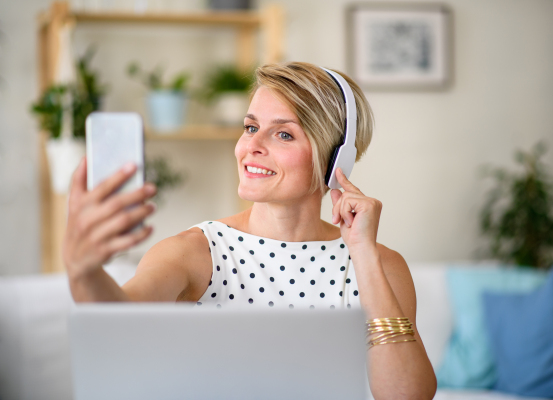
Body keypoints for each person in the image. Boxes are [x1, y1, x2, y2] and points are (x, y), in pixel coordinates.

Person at [63, 61, 437, 400]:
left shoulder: (380, 265)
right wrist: (84, 270)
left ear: (335, 158)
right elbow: (117, 321)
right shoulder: (195, 251)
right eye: (251, 127)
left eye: (283, 134)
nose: (250, 146)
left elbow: (407, 396)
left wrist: (363, 253)